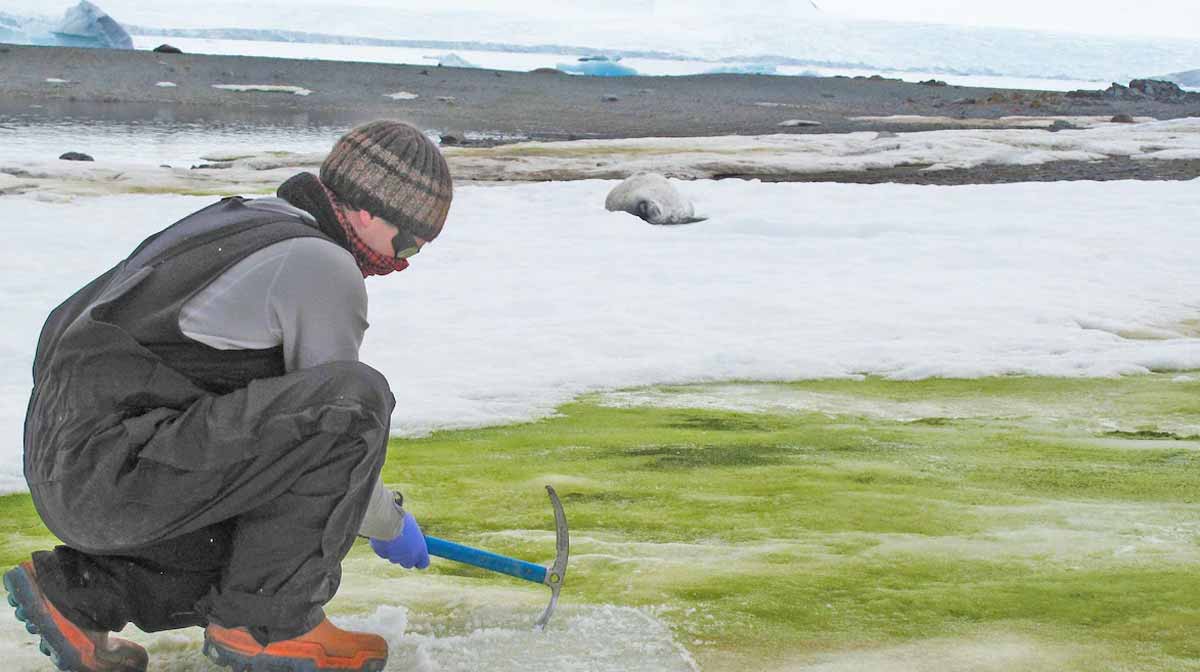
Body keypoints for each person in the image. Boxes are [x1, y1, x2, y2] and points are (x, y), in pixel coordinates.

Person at [3, 120, 454, 672]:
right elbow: (337, 424)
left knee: (252, 552)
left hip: (72, 471)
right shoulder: (321, 264)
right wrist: (390, 521)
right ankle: (271, 628)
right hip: (119, 470)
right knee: (359, 400)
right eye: (407, 242)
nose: (402, 262)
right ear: (367, 210)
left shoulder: (248, 219)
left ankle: (82, 596)